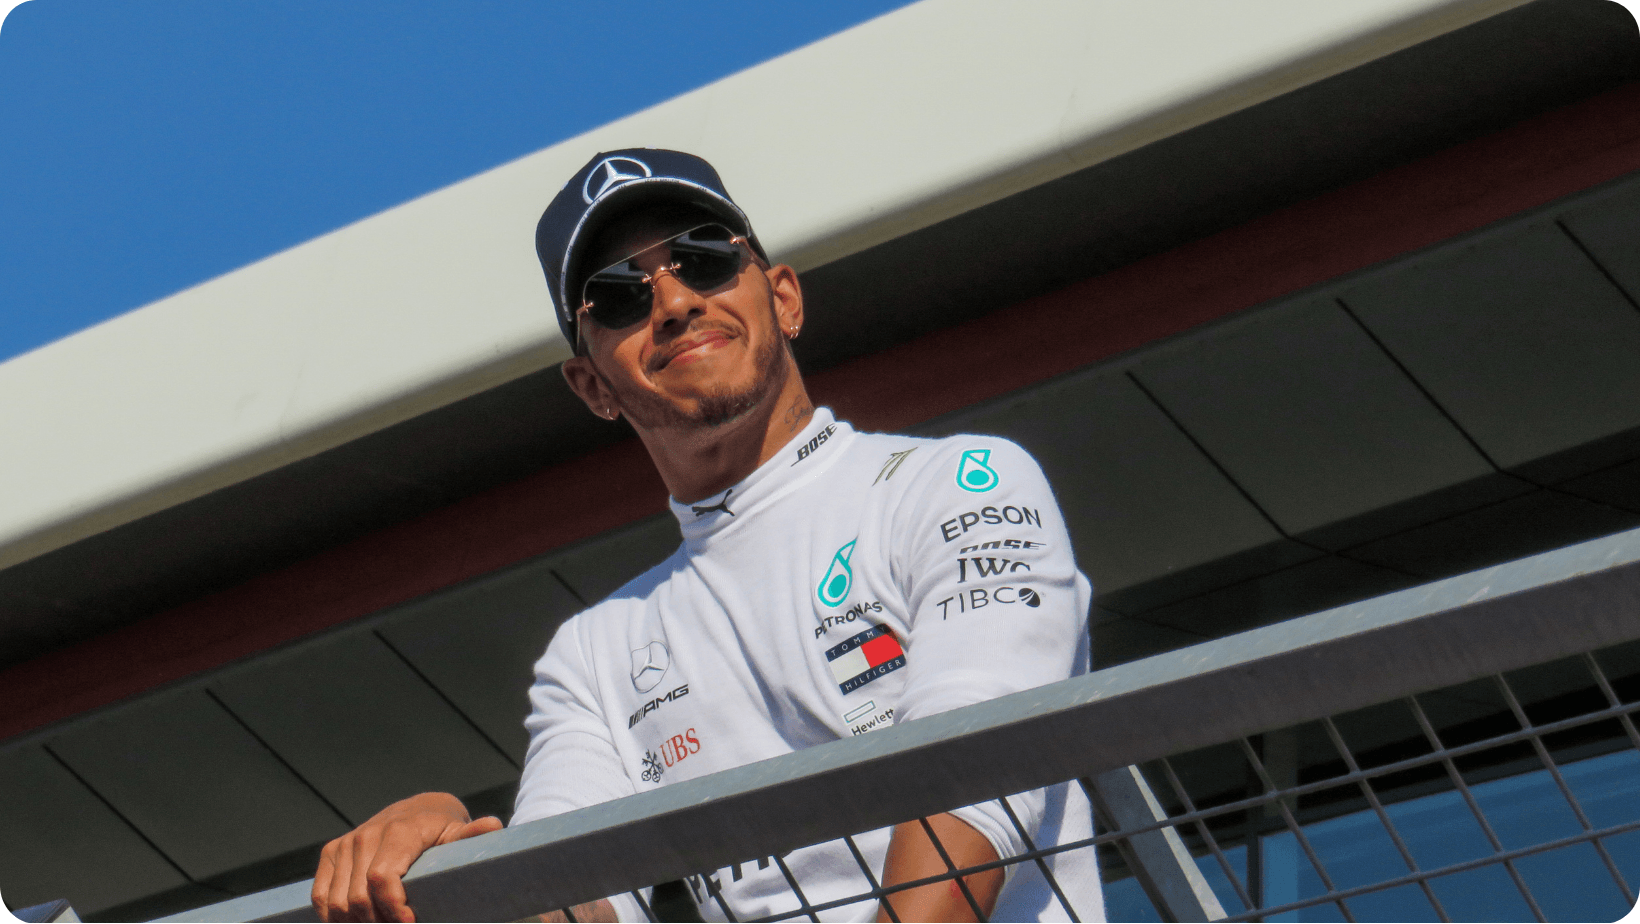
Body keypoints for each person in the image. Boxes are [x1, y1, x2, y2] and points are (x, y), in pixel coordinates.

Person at [310, 149, 1102, 923]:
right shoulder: (592, 654)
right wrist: (447, 852)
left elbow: (973, 777)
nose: (675, 302)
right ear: (592, 387)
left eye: (702, 257)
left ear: (785, 298)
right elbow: (571, 895)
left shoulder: (961, 482)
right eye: (618, 296)